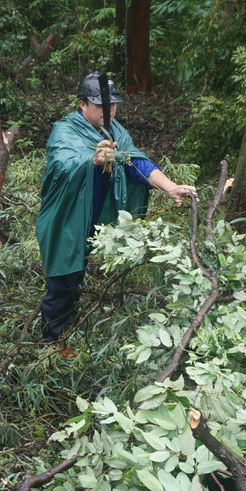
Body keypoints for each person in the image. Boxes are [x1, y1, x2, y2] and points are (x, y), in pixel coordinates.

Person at [35, 72, 196, 344]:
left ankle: (69, 331)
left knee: (78, 277)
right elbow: (62, 163)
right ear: (82, 104)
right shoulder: (65, 130)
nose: (109, 110)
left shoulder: (117, 130)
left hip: (97, 216)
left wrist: (170, 187)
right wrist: (93, 159)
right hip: (68, 218)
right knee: (63, 279)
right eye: (100, 106)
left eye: (113, 105)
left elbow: (137, 163)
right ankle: (50, 343)